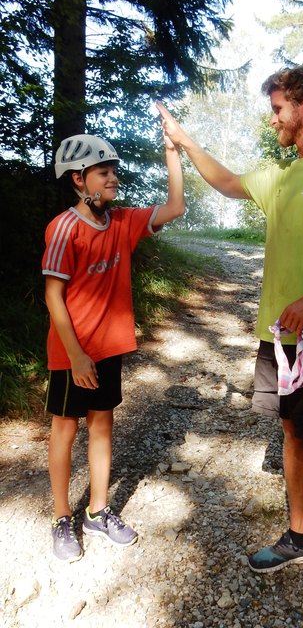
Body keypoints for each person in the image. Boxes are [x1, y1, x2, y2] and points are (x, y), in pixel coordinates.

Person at [156, 64, 303, 626]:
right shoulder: (282, 175)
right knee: (291, 429)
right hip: (279, 338)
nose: (274, 118)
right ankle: (300, 534)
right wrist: (186, 143)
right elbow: (230, 183)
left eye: (279, 107)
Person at [43, 128, 184, 562]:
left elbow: (175, 207)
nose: (112, 179)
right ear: (78, 180)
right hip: (73, 352)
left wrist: (171, 151)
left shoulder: (122, 222)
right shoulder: (65, 228)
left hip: (108, 349)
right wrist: (77, 354)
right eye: (103, 172)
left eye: (114, 172)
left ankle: (98, 511)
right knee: (65, 431)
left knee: (102, 425)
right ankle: (61, 516)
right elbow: (53, 296)